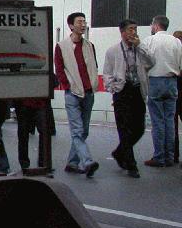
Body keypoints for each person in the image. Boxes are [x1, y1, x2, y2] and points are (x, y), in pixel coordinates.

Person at [102, 19, 154, 178]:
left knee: (139, 128)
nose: (134, 32)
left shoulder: (140, 48)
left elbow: (152, 61)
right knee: (124, 129)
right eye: (131, 29)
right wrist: (113, 88)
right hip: (122, 92)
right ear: (122, 32)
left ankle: (119, 152)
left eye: (135, 29)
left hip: (137, 91)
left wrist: (140, 46)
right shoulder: (112, 51)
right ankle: (131, 165)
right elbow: (107, 73)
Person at [54, 12, 99, 177]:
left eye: (84, 21)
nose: (83, 24)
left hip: (88, 93)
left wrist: (93, 84)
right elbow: (59, 69)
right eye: (79, 22)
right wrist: (67, 86)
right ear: (71, 26)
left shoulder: (89, 45)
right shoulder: (61, 46)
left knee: (84, 130)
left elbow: (94, 65)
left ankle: (72, 163)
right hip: (72, 93)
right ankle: (87, 162)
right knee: (78, 130)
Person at [143, 15, 182, 167]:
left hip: (155, 82)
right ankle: (170, 157)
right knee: (170, 121)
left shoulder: (149, 41)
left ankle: (159, 157)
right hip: (172, 82)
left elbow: (144, 63)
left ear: (156, 25)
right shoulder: (177, 42)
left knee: (158, 121)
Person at [173, 30, 182, 165]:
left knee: (171, 124)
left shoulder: (174, 54)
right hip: (175, 93)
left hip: (174, 93)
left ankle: (173, 154)